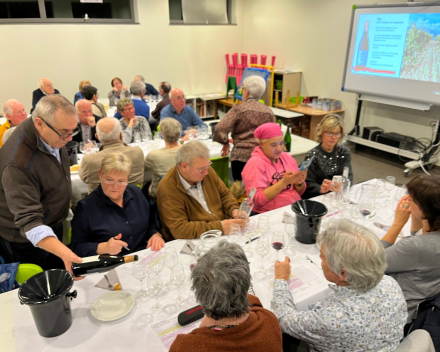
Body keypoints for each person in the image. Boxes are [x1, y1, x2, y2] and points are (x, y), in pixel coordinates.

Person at [272, 219, 407, 351]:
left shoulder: (331, 318)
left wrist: (281, 280)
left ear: (343, 274)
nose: (319, 257)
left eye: (323, 256)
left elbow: (283, 319)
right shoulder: (390, 284)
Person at [0, 95, 82, 272]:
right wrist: (65, 254)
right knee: (42, 286)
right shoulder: (17, 163)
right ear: (39, 123)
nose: (69, 139)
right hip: (26, 239)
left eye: (72, 131)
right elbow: (29, 223)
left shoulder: (51, 132)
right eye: (64, 132)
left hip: (51, 223)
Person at [170, 240, 283, 352]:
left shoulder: (183, 347)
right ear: (247, 284)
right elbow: (257, 308)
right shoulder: (268, 321)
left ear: (197, 290)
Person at [71, 152, 164, 257]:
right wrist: (104, 247)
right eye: (109, 180)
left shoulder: (137, 193)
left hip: (145, 256)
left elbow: (151, 222)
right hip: (111, 263)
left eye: (121, 181)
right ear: (100, 175)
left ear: (128, 179)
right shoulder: (86, 207)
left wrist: (155, 235)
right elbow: (76, 247)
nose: (115, 187)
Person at [381, 174, 440, 327]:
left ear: (425, 209)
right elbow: (421, 237)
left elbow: (374, 262)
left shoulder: (416, 247)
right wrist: (417, 217)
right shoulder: (432, 233)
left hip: (400, 313)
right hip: (425, 297)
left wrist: (397, 224)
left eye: (412, 199)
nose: (406, 199)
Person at [157, 140, 245, 241]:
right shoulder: (167, 188)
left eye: (208, 165)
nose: (207, 172)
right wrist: (220, 227)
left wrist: (234, 210)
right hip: (193, 240)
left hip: (220, 233)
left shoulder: (205, 169)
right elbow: (180, 229)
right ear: (184, 166)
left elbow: (224, 194)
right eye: (202, 169)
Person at [213, 76, 275, 181]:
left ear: (246, 92)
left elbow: (220, 129)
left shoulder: (239, 109)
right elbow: (273, 136)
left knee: (241, 192)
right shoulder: (269, 112)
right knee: (258, 190)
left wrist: (225, 142)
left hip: (240, 158)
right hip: (261, 158)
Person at [241, 123, 306, 214]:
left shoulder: (287, 158)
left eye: (281, 143)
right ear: (262, 144)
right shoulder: (255, 164)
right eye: (273, 145)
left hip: (293, 209)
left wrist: (299, 182)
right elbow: (257, 200)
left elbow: (300, 191)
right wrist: (283, 182)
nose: (279, 149)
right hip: (268, 213)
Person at [79, 117, 144, 194]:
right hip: (134, 201)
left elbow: (83, 178)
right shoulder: (137, 152)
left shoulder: (89, 160)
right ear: (121, 135)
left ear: (97, 137)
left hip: (100, 204)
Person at [302, 114, 353, 199]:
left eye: (337, 134)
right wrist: (321, 188)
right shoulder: (312, 155)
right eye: (330, 133)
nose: (333, 137)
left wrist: (342, 185)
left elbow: (348, 176)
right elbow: (308, 183)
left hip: (337, 195)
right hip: (318, 197)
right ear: (322, 133)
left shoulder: (344, 153)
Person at [145, 118, 181, 199]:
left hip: (160, 195)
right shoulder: (188, 152)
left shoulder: (153, 155)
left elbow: (143, 169)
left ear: (162, 133)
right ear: (179, 133)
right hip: (184, 194)